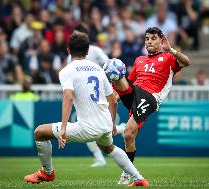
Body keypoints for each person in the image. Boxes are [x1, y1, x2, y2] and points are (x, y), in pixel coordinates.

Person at [24, 32, 149, 187]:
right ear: (88, 51)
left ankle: (47, 173)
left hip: (87, 128)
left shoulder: (66, 71)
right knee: (108, 147)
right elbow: (112, 100)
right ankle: (139, 179)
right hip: (104, 124)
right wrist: (112, 124)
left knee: (39, 132)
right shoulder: (98, 69)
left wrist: (63, 127)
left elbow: (68, 97)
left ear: (68, 50)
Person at [107, 27, 191, 184]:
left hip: (151, 97)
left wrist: (171, 50)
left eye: (153, 38)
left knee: (128, 133)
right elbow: (127, 84)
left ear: (161, 40)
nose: (149, 41)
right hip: (135, 94)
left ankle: (127, 172)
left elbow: (187, 62)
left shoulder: (168, 58)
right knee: (128, 135)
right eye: (147, 39)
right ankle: (127, 172)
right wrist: (112, 100)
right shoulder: (139, 60)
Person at [67, 24, 125, 168]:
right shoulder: (72, 56)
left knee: (93, 126)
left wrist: (110, 86)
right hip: (84, 94)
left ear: (85, 35)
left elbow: (110, 67)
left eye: (77, 33)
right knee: (91, 126)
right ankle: (120, 132)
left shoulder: (96, 51)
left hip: (97, 93)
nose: (74, 37)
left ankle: (103, 155)